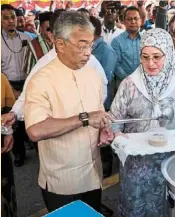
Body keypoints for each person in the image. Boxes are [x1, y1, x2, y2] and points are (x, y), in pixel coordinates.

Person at [24, 11, 113, 214]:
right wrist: (85, 118)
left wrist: (103, 129)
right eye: (82, 45)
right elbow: (35, 130)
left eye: (91, 44)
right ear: (60, 44)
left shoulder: (92, 74)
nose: (88, 52)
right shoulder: (41, 80)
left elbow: (98, 113)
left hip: (92, 174)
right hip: (61, 181)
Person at [110, 28, 175, 217]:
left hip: (171, 162)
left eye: (157, 57)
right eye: (145, 57)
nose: (151, 63)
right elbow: (115, 119)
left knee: (167, 205)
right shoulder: (130, 84)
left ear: (168, 54)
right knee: (136, 206)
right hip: (136, 165)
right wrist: (118, 136)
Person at [1, 4, 32, 167]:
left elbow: (33, 64)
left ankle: (32, 140)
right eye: (6, 18)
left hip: (28, 83)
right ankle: (18, 153)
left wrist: (27, 87)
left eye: (12, 17)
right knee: (13, 121)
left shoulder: (26, 38)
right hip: (7, 85)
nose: (10, 21)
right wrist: (13, 90)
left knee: (30, 116)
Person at [89, 15, 117, 178]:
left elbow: (105, 80)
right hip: (89, 104)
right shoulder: (91, 49)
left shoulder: (106, 51)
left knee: (104, 134)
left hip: (102, 103)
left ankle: (107, 166)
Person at [111, 6, 143, 82]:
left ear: (140, 21)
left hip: (144, 84)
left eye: (136, 18)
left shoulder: (146, 39)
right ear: (124, 21)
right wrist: (130, 80)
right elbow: (116, 65)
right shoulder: (117, 41)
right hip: (124, 85)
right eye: (129, 19)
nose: (133, 22)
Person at [1, 73, 16, 217]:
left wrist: (8, 132)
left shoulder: (1, 79)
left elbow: (8, 111)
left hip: (2, 152)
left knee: (6, 197)